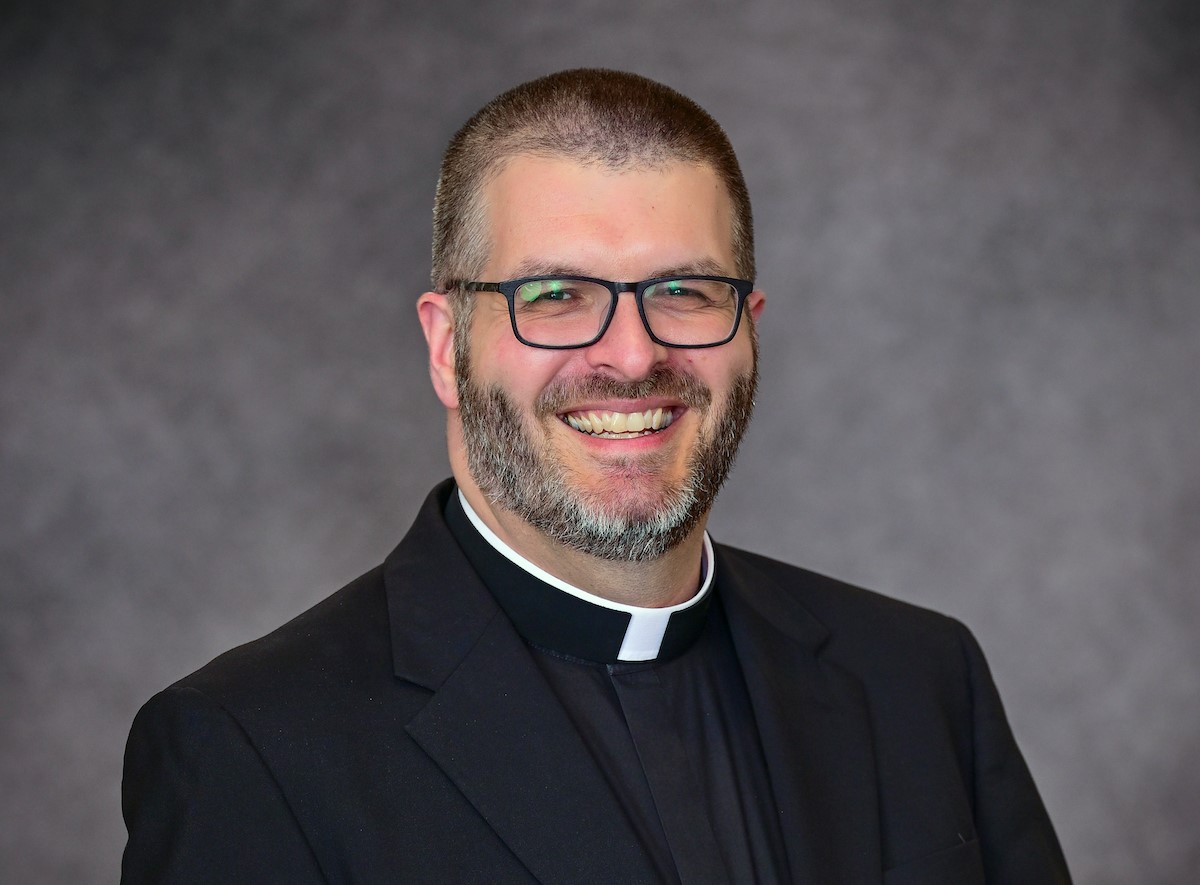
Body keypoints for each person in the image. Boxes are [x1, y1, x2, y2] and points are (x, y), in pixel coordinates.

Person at [121, 69, 1071, 884]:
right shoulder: (253, 747)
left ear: (749, 328)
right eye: (555, 295)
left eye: (685, 292)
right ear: (450, 348)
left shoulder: (918, 678)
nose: (629, 355)